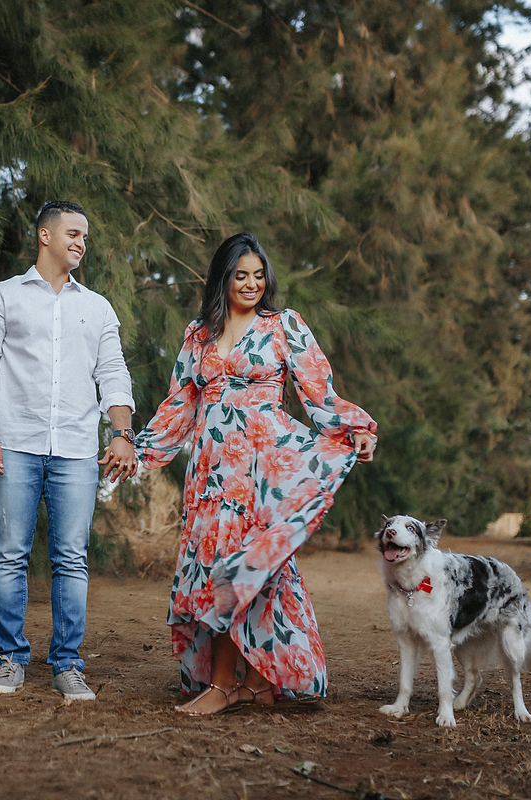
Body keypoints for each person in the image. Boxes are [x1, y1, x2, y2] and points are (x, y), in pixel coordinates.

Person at [133, 232, 376, 715]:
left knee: (246, 565)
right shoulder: (198, 333)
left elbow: (317, 391)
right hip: (210, 467)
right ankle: (256, 684)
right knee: (225, 565)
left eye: (259, 276)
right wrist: (139, 453)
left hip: (262, 466)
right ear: (223, 278)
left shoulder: (284, 325)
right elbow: (180, 403)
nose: (251, 284)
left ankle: (225, 685)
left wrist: (355, 427)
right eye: (240, 275)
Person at [0, 200, 138, 701]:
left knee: (71, 560)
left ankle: (66, 664)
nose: (82, 242)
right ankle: (11, 660)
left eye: (86, 236)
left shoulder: (98, 307)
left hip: (77, 450)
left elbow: (113, 376)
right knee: (10, 556)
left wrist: (122, 435)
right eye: (74, 233)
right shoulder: (1, 298)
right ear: (45, 236)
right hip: (13, 444)